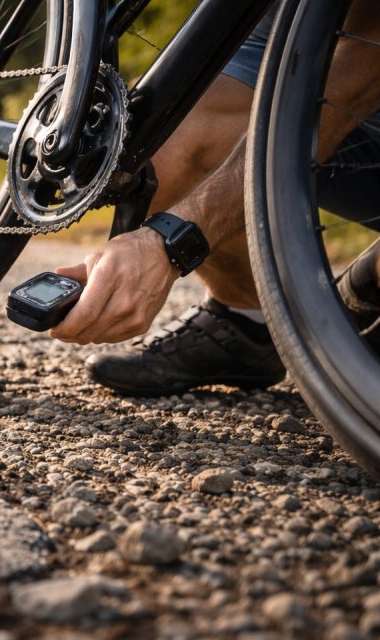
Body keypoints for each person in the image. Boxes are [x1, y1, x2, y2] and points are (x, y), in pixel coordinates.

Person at [49, 1, 380, 397]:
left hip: (366, 56)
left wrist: (170, 243)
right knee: (155, 144)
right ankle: (246, 321)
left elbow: (366, 62)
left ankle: (362, 290)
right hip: (296, 36)